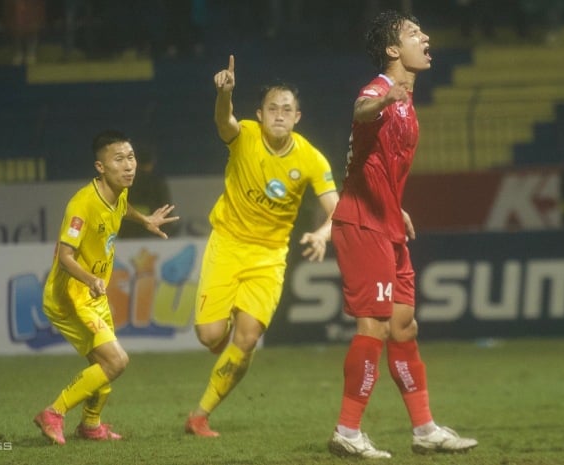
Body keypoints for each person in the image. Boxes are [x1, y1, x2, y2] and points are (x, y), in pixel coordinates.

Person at [327, 10, 479, 459]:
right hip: (362, 224)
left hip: (388, 221)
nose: (425, 36)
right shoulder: (380, 89)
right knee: (372, 325)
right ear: (393, 50)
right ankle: (348, 432)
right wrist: (383, 98)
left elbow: (371, 161)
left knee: (403, 325)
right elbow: (360, 108)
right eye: (414, 33)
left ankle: (425, 429)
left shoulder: (406, 101)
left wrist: (398, 205)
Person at [184, 55, 339, 437]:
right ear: (260, 113)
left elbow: (339, 210)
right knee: (209, 337)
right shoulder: (245, 136)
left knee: (248, 337)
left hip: (269, 257)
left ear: (298, 117)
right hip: (228, 244)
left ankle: (199, 415)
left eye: (287, 109)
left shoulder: (311, 159)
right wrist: (225, 94)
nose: (280, 115)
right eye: (273, 108)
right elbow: (225, 121)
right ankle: (226, 332)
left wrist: (323, 233)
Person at [33, 130, 178, 445]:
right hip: (70, 297)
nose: (128, 166)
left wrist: (145, 221)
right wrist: (91, 279)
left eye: (131, 157)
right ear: (100, 167)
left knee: (103, 367)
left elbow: (122, 209)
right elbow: (64, 256)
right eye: (119, 159)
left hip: (92, 295)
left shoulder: (119, 191)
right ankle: (53, 413)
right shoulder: (82, 205)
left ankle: (90, 425)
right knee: (115, 361)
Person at [117, 143, 176, 239]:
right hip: (153, 230)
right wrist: (168, 230)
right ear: (152, 162)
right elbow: (166, 208)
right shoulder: (157, 182)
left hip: (129, 230)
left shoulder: (125, 181)